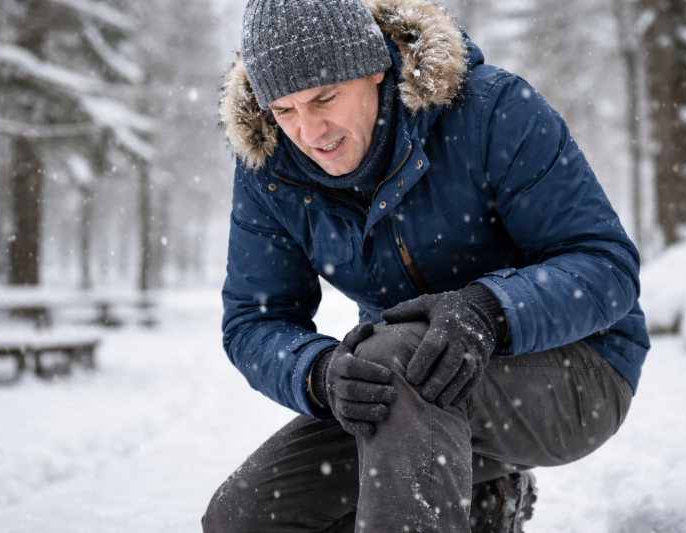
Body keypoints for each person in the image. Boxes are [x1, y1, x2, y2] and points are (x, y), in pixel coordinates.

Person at [204, 0, 650, 531]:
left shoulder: (492, 110)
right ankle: (481, 499)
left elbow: (604, 264)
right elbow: (256, 319)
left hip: (577, 370)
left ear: (375, 68)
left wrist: (490, 311)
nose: (309, 131)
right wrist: (319, 374)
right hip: (407, 396)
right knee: (247, 516)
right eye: (284, 109)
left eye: (325, 98)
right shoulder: (269, 167)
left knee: (395, 357)